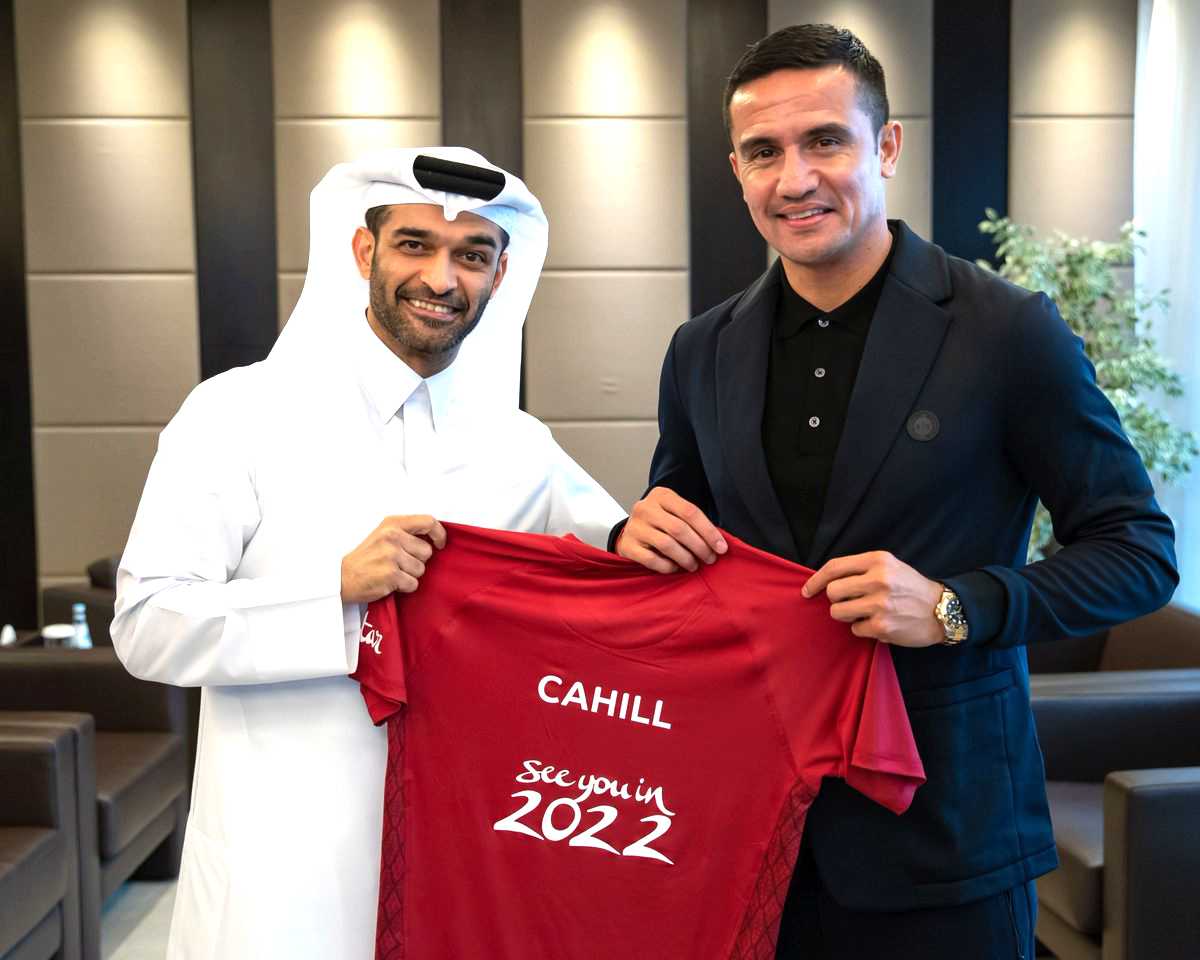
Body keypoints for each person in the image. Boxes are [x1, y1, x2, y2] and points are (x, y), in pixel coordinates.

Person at [615, 23, 1177, 959]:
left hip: (945, 835)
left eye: (824, 141)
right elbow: (683, 544)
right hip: (746, 828)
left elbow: (1139, 551)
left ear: (885, 145)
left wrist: (955, 607)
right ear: (738, 169)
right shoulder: (700, 349)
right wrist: (637, 537)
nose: (793, 179)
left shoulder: (1008, 331)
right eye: (764, 152)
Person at [111, 146, 623, 959]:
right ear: (362, 253)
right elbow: (146, 625)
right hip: (280, 882)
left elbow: (622, 566)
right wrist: (335, 590)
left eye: (472, 255)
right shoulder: (235, 414)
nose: (443, 278)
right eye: (415, 244)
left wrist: (663, 534)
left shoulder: (520, 446)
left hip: (461, 870)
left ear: (499, 276)